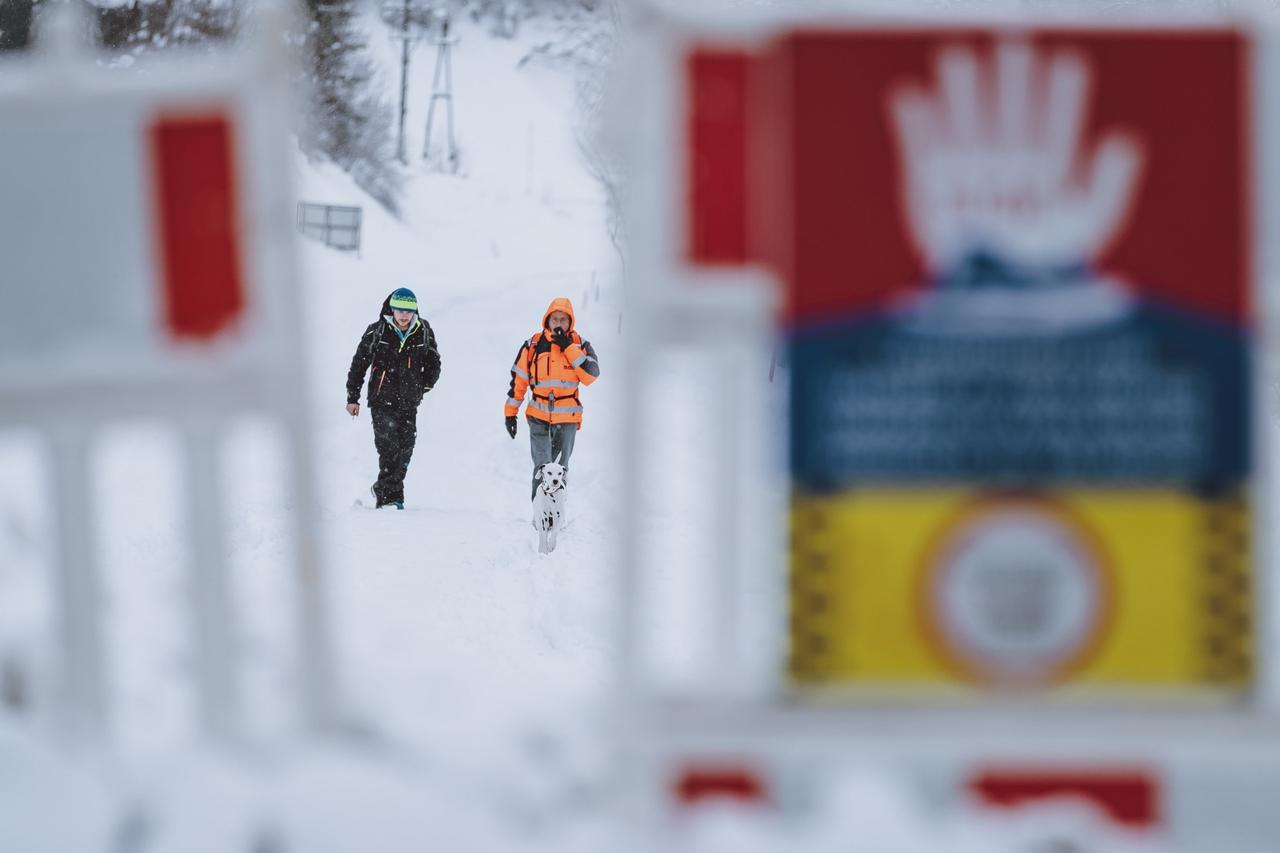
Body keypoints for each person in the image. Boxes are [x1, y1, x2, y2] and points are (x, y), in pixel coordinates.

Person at [346, 288, 442, 509]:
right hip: (381, 401)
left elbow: (434, 361)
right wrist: (353, 397)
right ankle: (392, 499)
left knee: (406, 447)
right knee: (388, 447)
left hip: (409, 402)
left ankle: (383, 487)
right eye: (400, 310)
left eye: (409, 311)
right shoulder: (377, 332)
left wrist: (423, 386)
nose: (404, 316)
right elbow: (359, 364)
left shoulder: (423, 331)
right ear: (392, 309)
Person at [504, 297, 600, 499]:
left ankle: (557, 514)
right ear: (547, 320)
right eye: (554, 319)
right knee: (542, 467)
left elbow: (590, 375)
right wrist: (510, 414)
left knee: (559, 469)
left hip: (567, 419)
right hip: (538, 416)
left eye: (563, 319)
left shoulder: (580, 345)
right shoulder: (533, 345)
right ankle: (540, 516)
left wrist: (568, 348)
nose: (558, 323)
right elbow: (518, 381)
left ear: (570, 322)